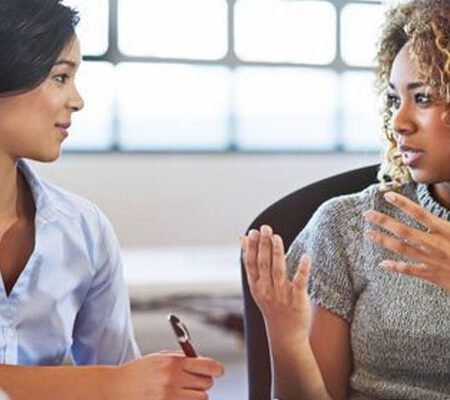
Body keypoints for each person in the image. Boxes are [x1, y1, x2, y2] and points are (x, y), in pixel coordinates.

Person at [0, 0, 224, 399]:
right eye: (60, 77)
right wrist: (107, 384)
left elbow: (119, 371)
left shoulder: (84, 228)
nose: (77, 100)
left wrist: (156, 386)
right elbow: (114, 382)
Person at [241, 0, 450, 399]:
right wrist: (286, 337)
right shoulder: (348, 225)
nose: (399, 122)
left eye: (423, 98)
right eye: (395, 99)